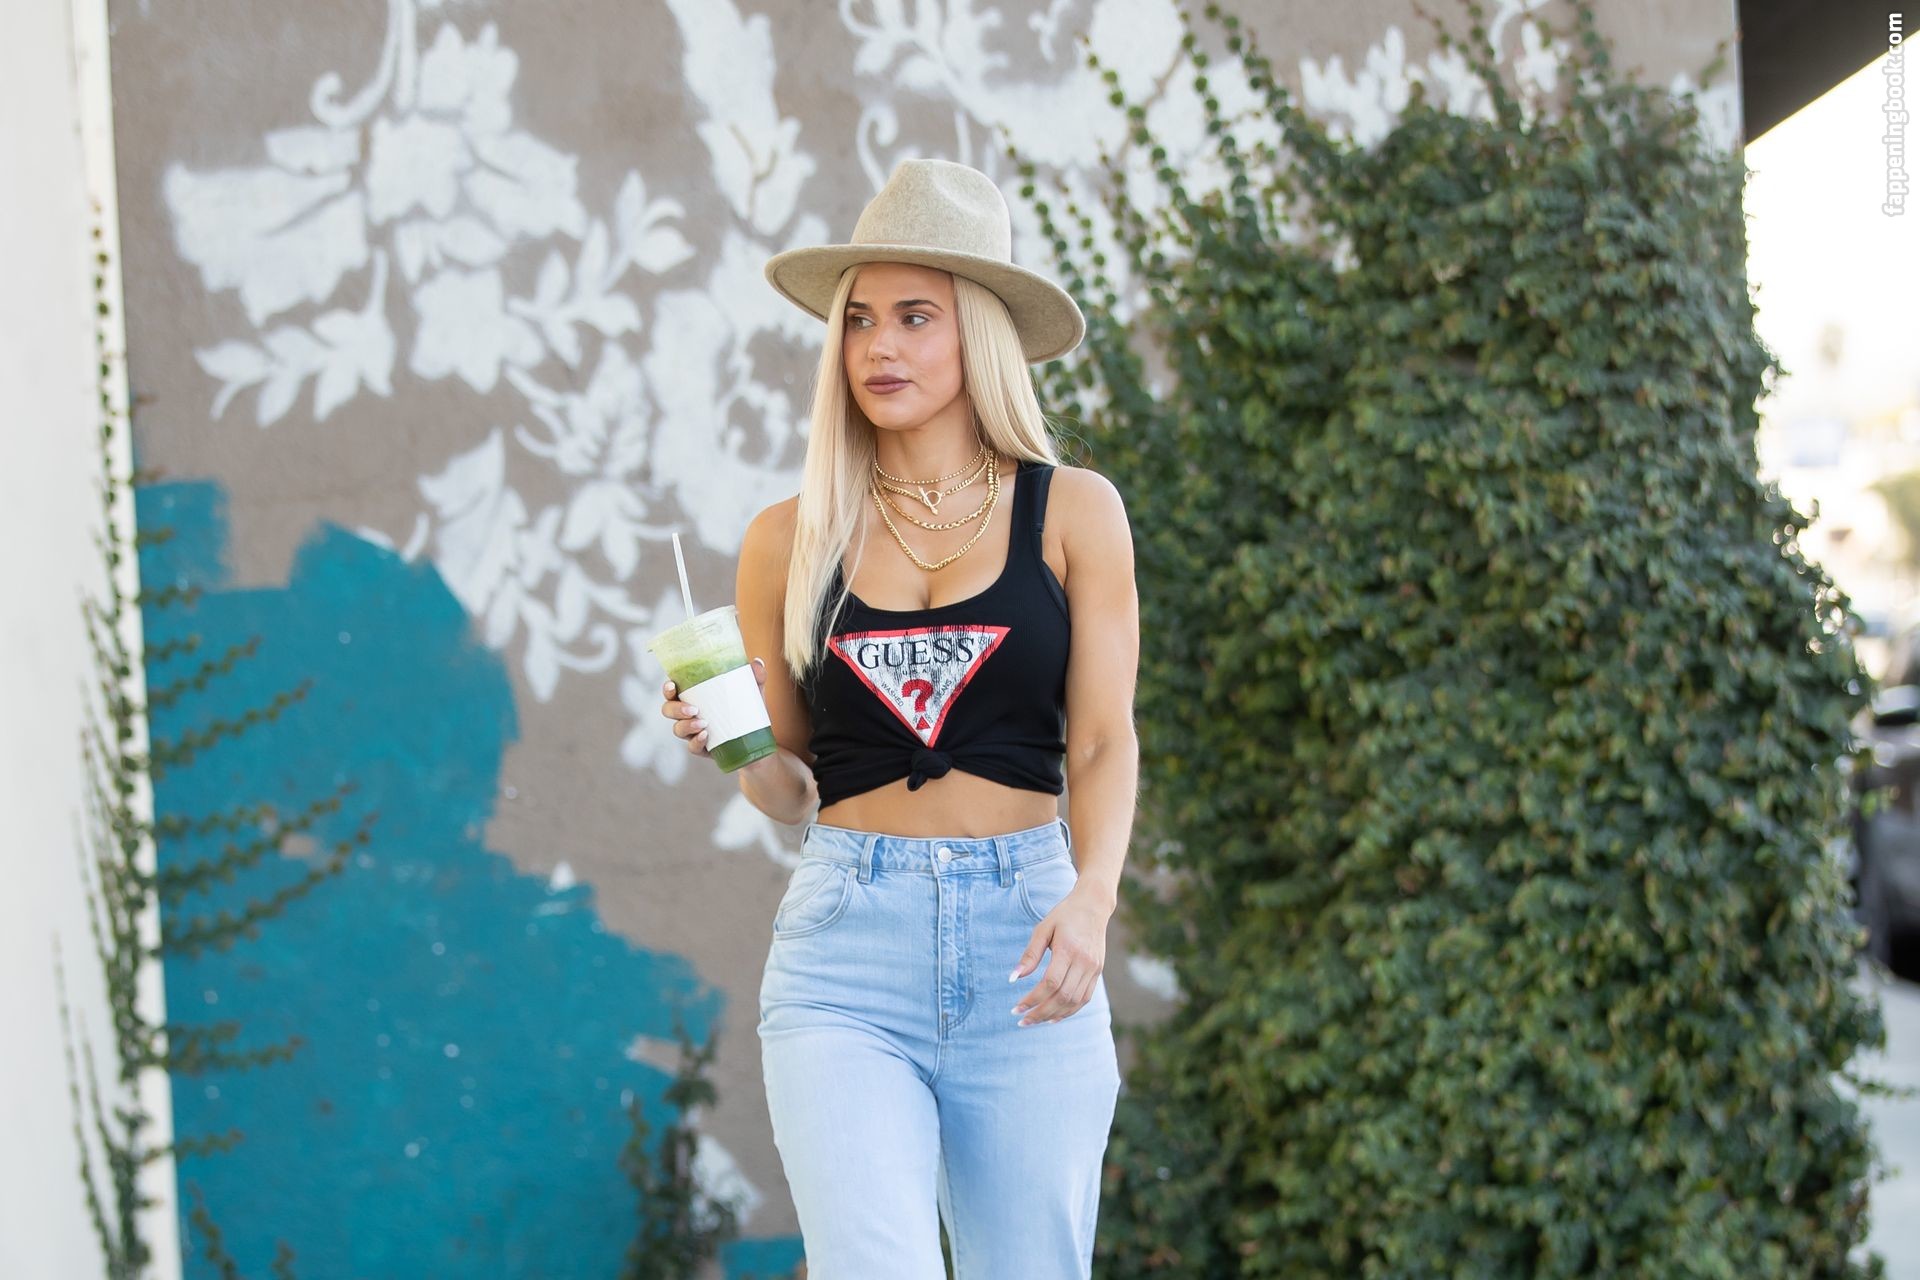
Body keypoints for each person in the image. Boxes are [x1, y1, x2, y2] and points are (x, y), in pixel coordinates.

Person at [659, 158, 1140, 1279]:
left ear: (980, 335)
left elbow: (1103, 740)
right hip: (846, 950)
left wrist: (1093, 896)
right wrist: (732, 740)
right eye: (860, 319)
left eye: (915, 317)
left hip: (1030, 935)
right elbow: (790, 789)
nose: (879, 346)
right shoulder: (790, 537)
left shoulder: (1073, 511)